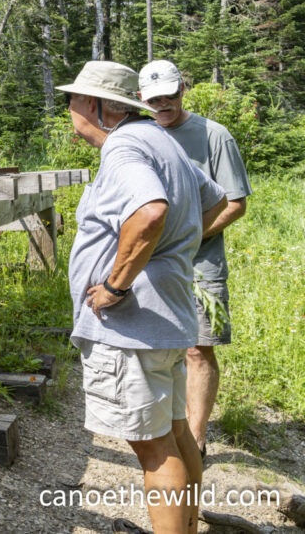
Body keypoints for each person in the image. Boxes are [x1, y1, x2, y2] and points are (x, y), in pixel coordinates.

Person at [57, 61, 228, 534]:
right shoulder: (159, 140)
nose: (69, 109)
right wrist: (178, 247)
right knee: (175, 433)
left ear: (94, 106)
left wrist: (115, 285)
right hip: (165, 315)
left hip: (133, 325)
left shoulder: (125, 147)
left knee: (153, 448)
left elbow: (150, 212)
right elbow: (212, 199)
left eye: (72, 100)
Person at [138, 60, 252, 460]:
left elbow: (235, 203)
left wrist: (186, 238)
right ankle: (163, 431)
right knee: (154, 346)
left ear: (184, 88)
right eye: (154, 99)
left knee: (198, 349)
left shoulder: (213, 135)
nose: (164, 103)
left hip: (201, 265)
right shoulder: (139, 135)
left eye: (171, 93)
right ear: (140, 100)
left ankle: (197, 442)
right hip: (147, 261)